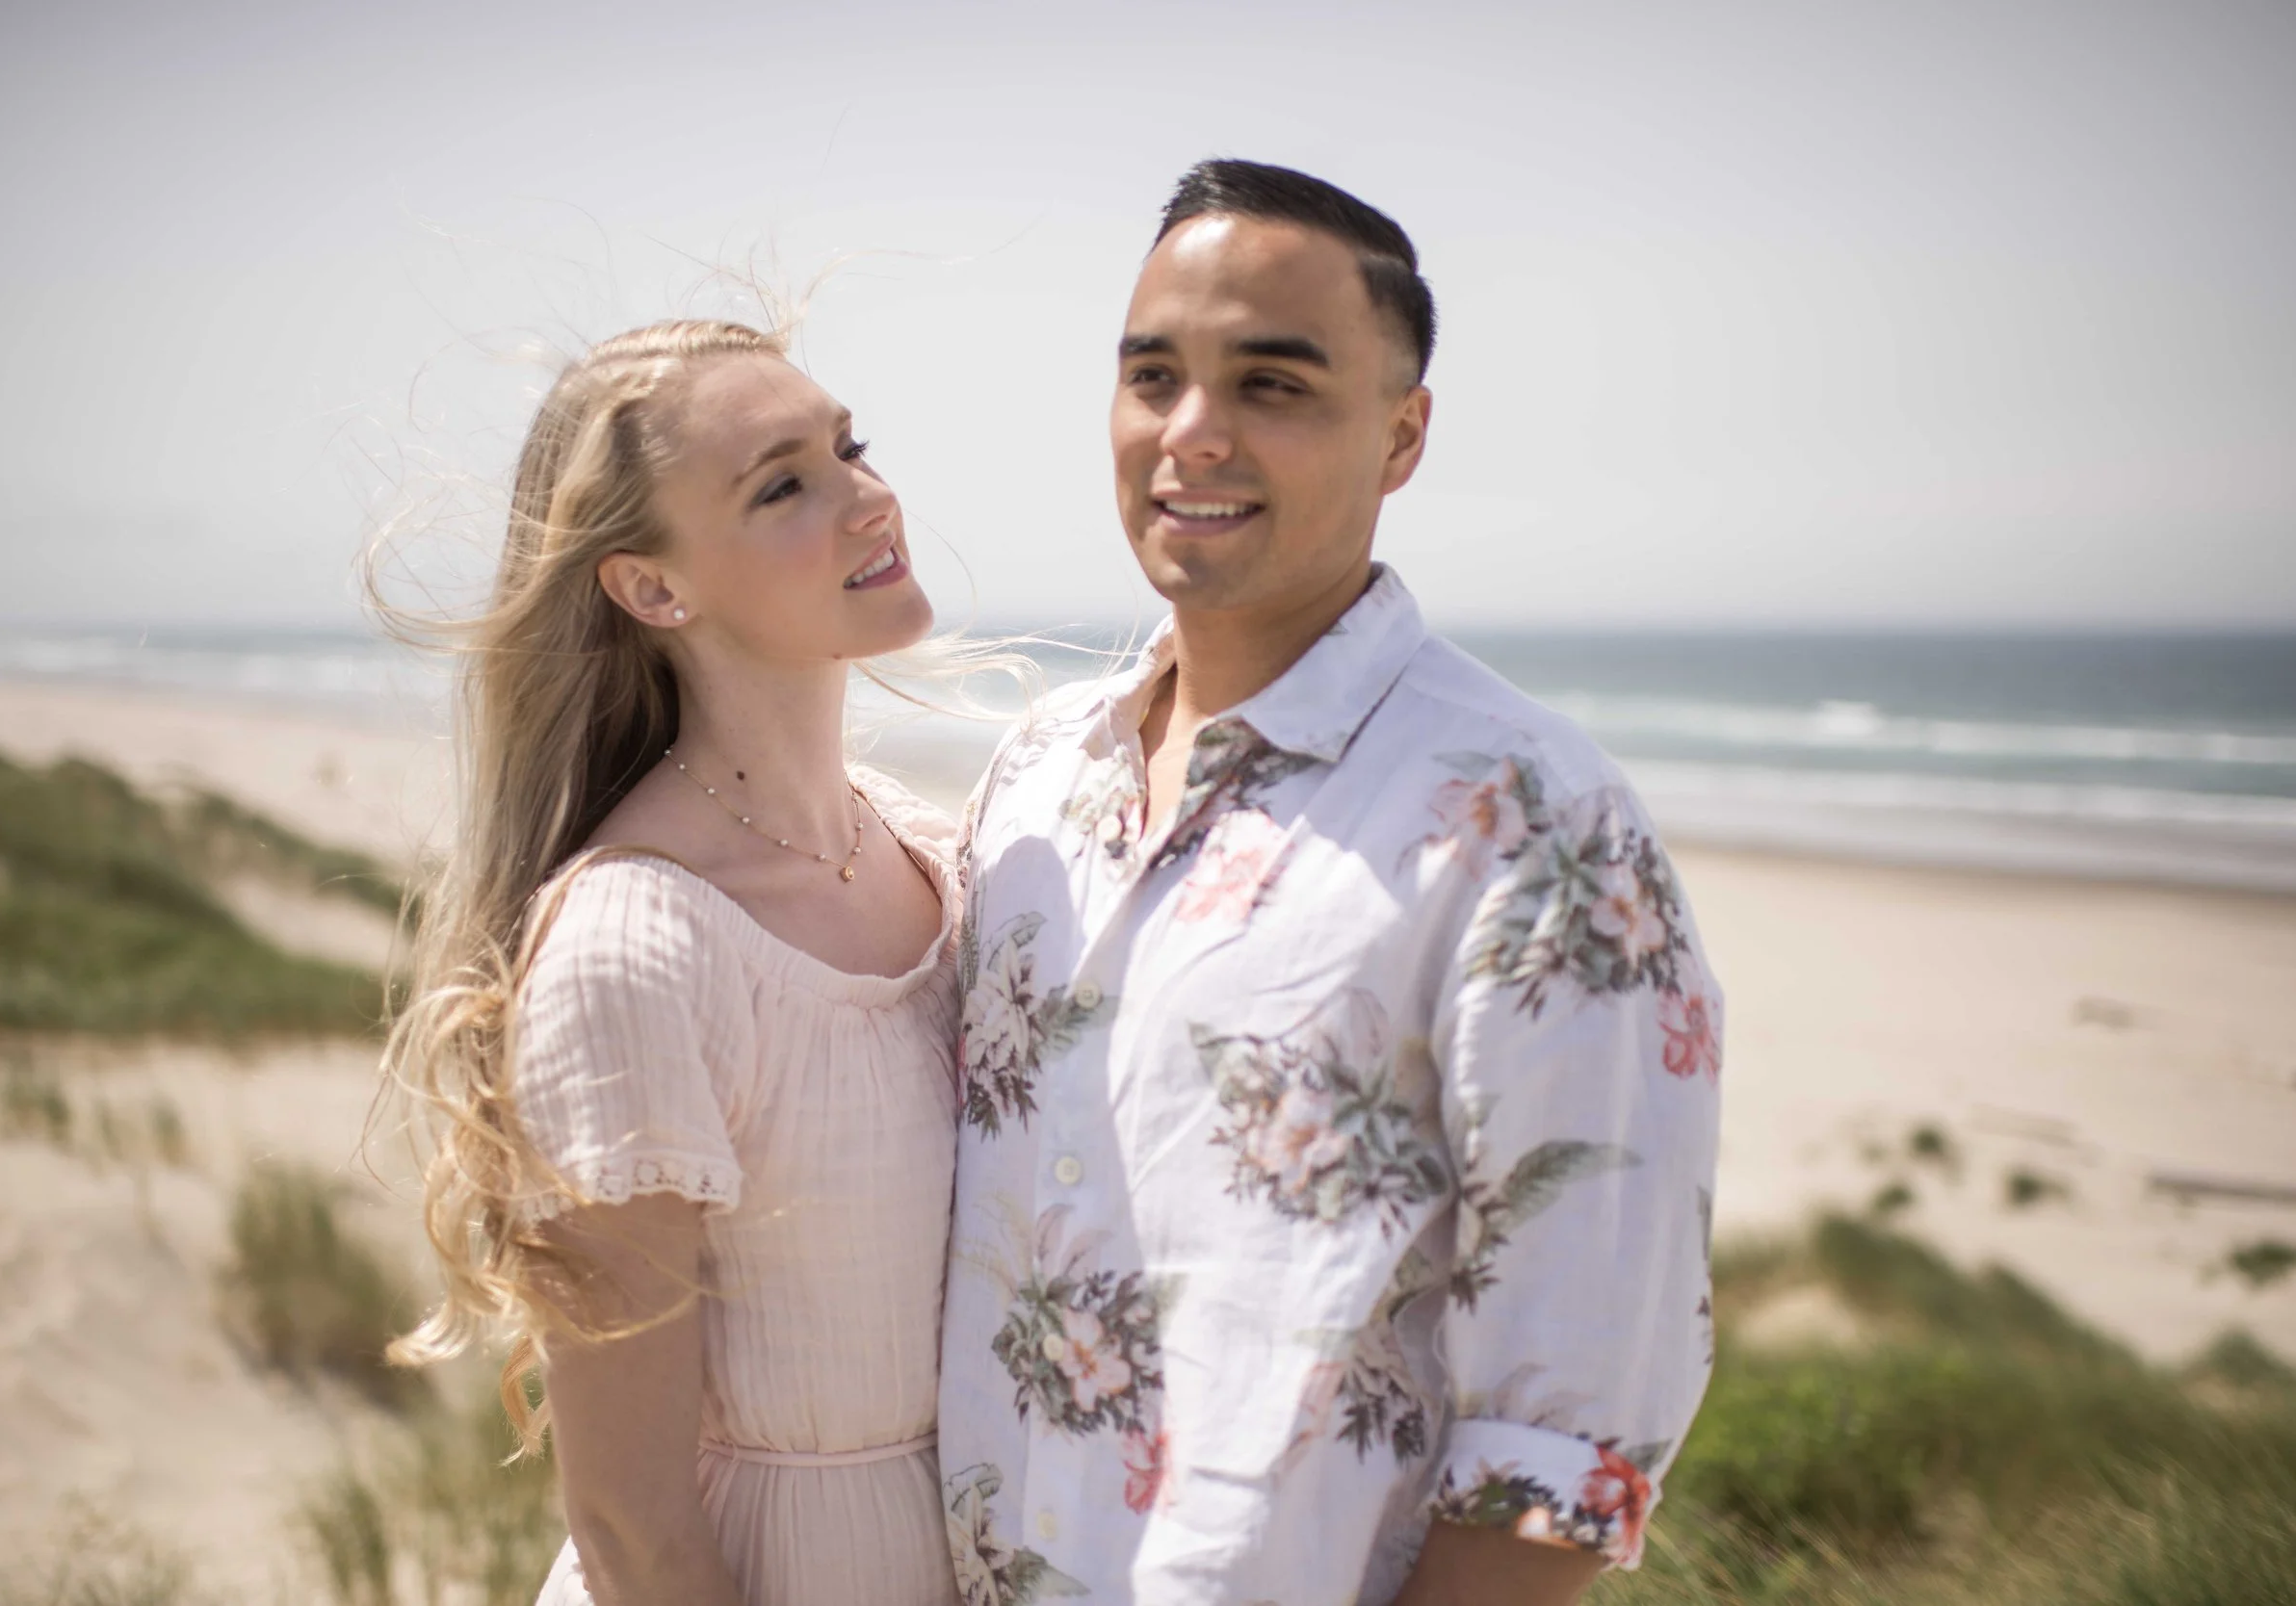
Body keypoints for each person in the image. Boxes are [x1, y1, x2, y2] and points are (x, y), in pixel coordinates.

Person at [938, 160, 1724, 1606]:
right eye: (1153, 376)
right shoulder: (1035, 780)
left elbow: (1573, 1420)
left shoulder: (1536, 823)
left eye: (1272, 384)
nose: (1192, 432)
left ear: (1402, 434)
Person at [378, 319, 968, 1606]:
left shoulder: (932, 852)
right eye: (783, 485)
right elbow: (629, 1530)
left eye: (849, 447)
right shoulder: (633, 952)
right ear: (653, 589)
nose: (868, 499)